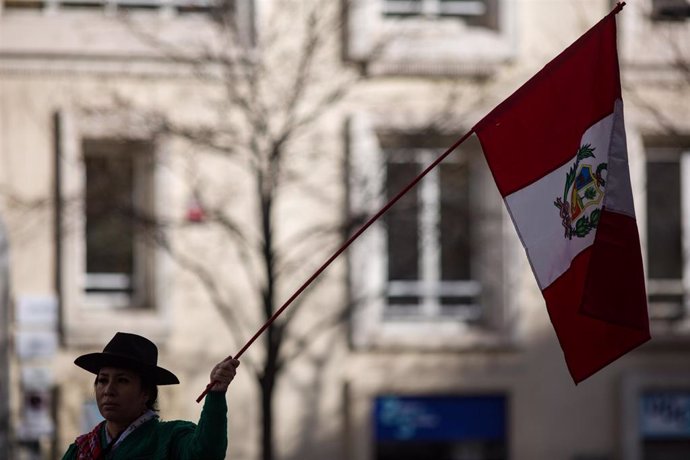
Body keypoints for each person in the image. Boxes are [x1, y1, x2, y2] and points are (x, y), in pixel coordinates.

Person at [61, 332, 240, 460]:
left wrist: (215, 395)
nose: (108, 389)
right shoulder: (81, 450)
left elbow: (206, 454)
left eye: (122, 381)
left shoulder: (170, 439)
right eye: (102, 380)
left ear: (146, 392)